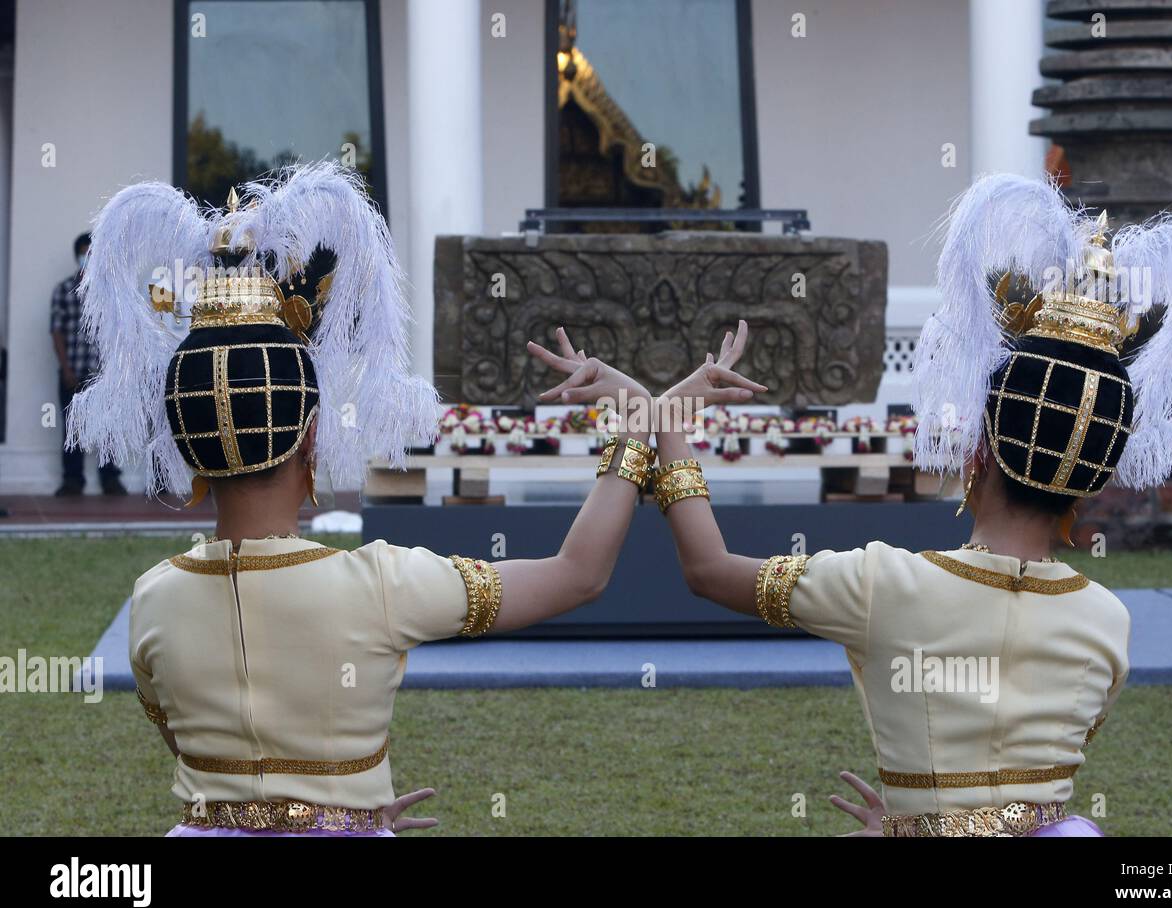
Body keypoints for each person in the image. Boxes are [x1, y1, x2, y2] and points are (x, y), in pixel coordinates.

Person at [69, 162, 762, 836]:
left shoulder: (154, 601)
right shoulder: (376, 584)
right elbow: (578, 574)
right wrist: (645, 417)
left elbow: (216, 774)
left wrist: (324, 806)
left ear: (189, 447)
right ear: (310, 439)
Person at [635, 175, 1172, 837]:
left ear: (978, 454)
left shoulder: (882, 585)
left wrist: (667, 419)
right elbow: (1018, 807)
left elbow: (707, 568)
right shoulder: (1107, 625)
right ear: (1089, 483)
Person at [51, 231, 125, 496]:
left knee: (107, 429)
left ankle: (110, 480)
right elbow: (57, 331)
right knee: (72, 430)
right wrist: (66, 369)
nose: (88, 258)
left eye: (92, 253)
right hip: (72, 372)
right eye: (84, 253)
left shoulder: (110, 292)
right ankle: (72, 480)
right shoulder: (63, 290)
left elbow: (118, 333)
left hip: (102, 374)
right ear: (77, 256)